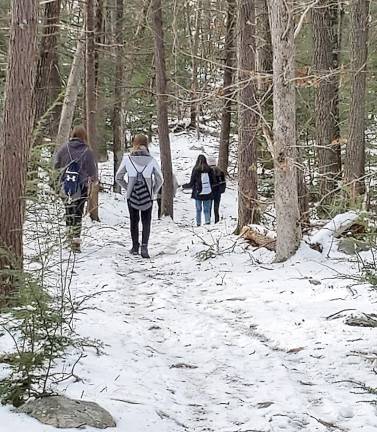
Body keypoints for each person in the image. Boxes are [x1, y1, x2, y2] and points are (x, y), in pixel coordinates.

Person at [115, 134, 163, 258]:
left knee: (134, 221)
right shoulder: (151, 160)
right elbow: (160, 179)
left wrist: (127, 187)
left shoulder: (128, 159)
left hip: (132, 195)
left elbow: (118, 177)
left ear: (134, 144)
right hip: (148, 195)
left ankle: (135, 246)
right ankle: (144, 247)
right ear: (146, 144)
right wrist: (153, 191)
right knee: (146, 221)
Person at [54, 125, 98, 252]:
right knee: (78, 214)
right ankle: (76, 242)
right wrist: (94, 181)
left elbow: (55, 165)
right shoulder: (87, 151)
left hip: (66, 186)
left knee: (68, 213)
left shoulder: (64, 148)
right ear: (84, 136)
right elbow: (92, 171)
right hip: (81, 187)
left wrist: (57, 182)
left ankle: (69, 238)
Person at [182, 154, 215, 226]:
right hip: (208, 193)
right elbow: (213, 181)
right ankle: (207, 222)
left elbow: (192, 182)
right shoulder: (210, 170)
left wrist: (184, 186)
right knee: (207, 209)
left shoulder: (195, 169)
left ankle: (198, 223)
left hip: (198, 193)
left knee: (198, 209)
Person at [207, 156, 226, 223]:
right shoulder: (220, 171)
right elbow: (223, 182)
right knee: (216, 207)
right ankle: (216, 220)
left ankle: (208, 220)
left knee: (208, 206)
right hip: (218, 191)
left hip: (210, 191)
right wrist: (221, 190)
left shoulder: (207, 171)